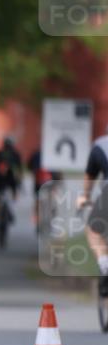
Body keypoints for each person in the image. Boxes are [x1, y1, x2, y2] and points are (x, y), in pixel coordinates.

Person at [76, 126, 108, 297]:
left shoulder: (100, 146)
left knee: (94, 230)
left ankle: (105, 265)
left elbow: (90, 175)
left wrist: (84, 197)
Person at [0, 136, 22, 225]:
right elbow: (19, 170)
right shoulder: (15, 154)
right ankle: (11, 211)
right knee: (14, 195)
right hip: (11, 179)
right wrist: (19, 183)